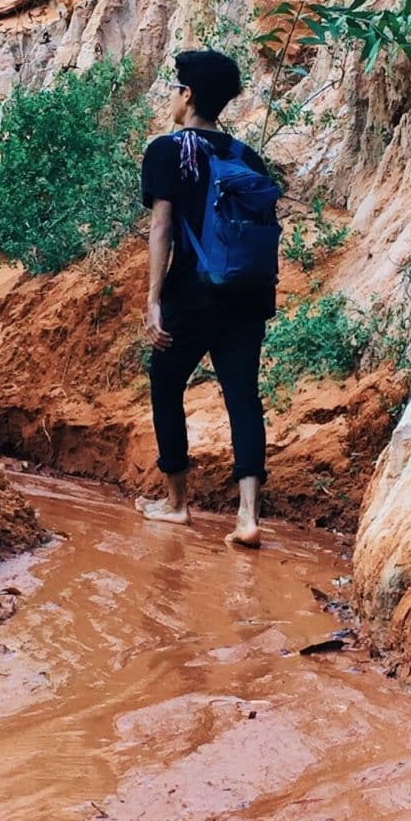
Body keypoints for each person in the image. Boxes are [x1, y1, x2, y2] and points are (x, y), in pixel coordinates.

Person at [140, 48, 278, 548]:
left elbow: (162, 227)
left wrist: (154, 299)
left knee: (166, 384)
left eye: (175, 88)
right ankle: (247, 518)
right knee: (242, 395)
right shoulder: (246, 156)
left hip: (194, 292)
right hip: (249, 293)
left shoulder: (167, 151)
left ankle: (177, 505)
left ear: (188, 94)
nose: (172, 98)